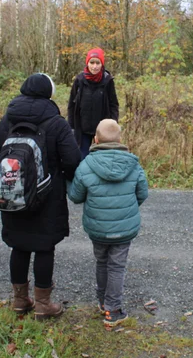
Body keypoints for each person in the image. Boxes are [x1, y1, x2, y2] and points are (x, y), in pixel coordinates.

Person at [0, 73, 81, 320]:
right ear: (48, 93)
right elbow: (73, 160)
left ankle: (20, 300)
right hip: (47, 195)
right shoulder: (56, 122)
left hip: (13, 192)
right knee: (44, 246)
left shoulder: (7, 119)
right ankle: (43, 304)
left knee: (18, 245)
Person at [67, 119, 149, 327]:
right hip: (124, 228)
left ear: (95, 139)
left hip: (98, 228)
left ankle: (103, 301)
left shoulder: (86, 165)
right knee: (117, 267)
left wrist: (68, 181)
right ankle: (113, 310)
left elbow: (76, 196)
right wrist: (128, 209)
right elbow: (142, 193)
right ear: (120, 139)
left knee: (102, 262)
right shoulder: (133, 163)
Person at [68, 47, 120, 159]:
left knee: (102, 159)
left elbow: (113, 104)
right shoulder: (79, 80)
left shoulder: (108, 81)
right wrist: (71, 127)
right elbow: (72, 105)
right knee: (82, 159)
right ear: (87, 63)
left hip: (102, 130)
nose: (95, 66)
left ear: (102, 64)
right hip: (82, 129)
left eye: (98, 63)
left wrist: (113, 124)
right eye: (92, 62)